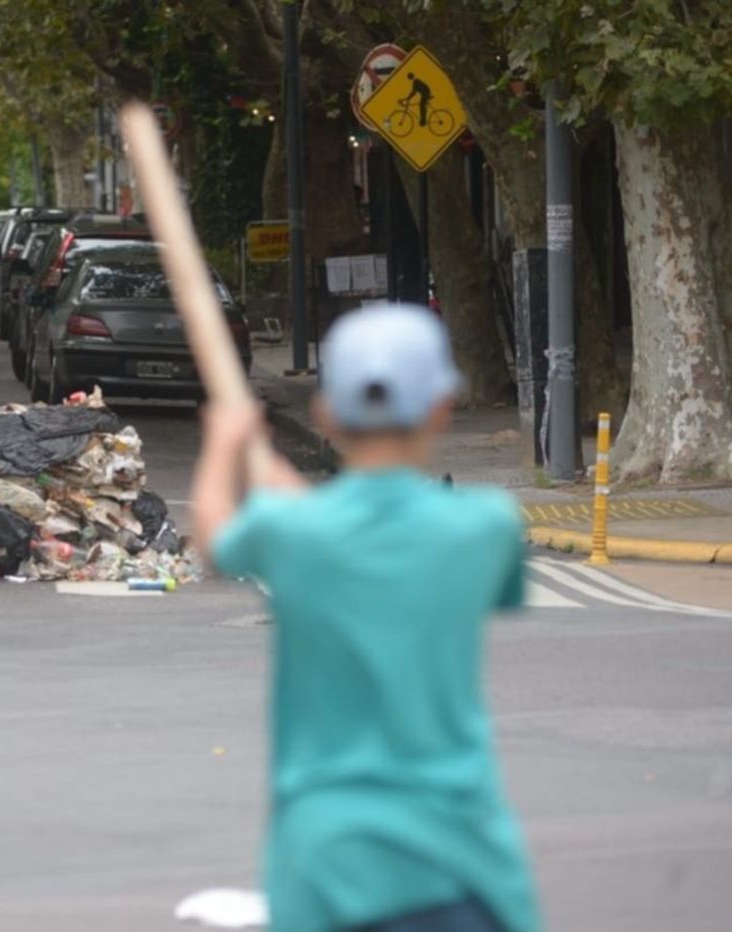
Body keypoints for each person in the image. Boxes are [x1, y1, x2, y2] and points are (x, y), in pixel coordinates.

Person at [192, 303, 540, 932]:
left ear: (325, 416)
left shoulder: (291, 532)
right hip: (460, 857)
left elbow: (216, 539)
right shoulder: (486, 526)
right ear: (442, 406)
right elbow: (366, 534)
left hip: (325, 862)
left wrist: (226, 444)